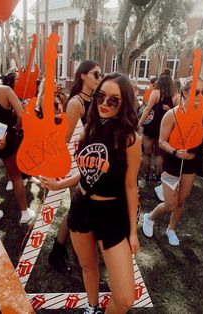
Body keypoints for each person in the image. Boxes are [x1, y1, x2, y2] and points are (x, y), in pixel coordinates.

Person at [40, 73, 141, 314]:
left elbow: (130, 185)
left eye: (114, 100)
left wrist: (134, 232)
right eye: (101, 97)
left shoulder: (130, 139)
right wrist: (60, 184)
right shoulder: (90, 128)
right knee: (88, 266)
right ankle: (92, 306)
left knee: (125, 299)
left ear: (124, 103)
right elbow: (87, 172)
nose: (105, 104)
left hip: (111, 214)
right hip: (82, 208)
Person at [38, 60, 103, 273]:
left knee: (83, 208)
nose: (99, 78)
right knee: (78, 208)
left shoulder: (93, 99)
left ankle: (72, 247)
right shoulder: (77, 103)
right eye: (96, 74)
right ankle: (58, 251)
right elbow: (64, 139)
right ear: (83, 75)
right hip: (75, 163)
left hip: (91, 162)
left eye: (100, 75)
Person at [142, 76, 203, 246]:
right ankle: (149, 217)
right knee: (171, 203)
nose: (201, 96)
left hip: (191, 165)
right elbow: (161, 142)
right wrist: (175, 152)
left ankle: (171, 229)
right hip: (172, 163)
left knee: (180, 201)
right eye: (196, 92)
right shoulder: (171, 115)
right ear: (185, 93)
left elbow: (201, 134)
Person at [0, 56, 35, 224]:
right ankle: (24, 213)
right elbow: (21, 115)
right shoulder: (5, 91)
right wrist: (15, 128)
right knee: (16, 176)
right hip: (7, 139)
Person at [138, 75, 178, 182]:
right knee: (159, 154)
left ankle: (147, 176)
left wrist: (138, 124)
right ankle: (157, 176)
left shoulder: (156, 92)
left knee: (147, 153)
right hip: (163, 128)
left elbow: (147, 110)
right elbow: (175, 112)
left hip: (151, 127)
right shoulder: (173, 96)